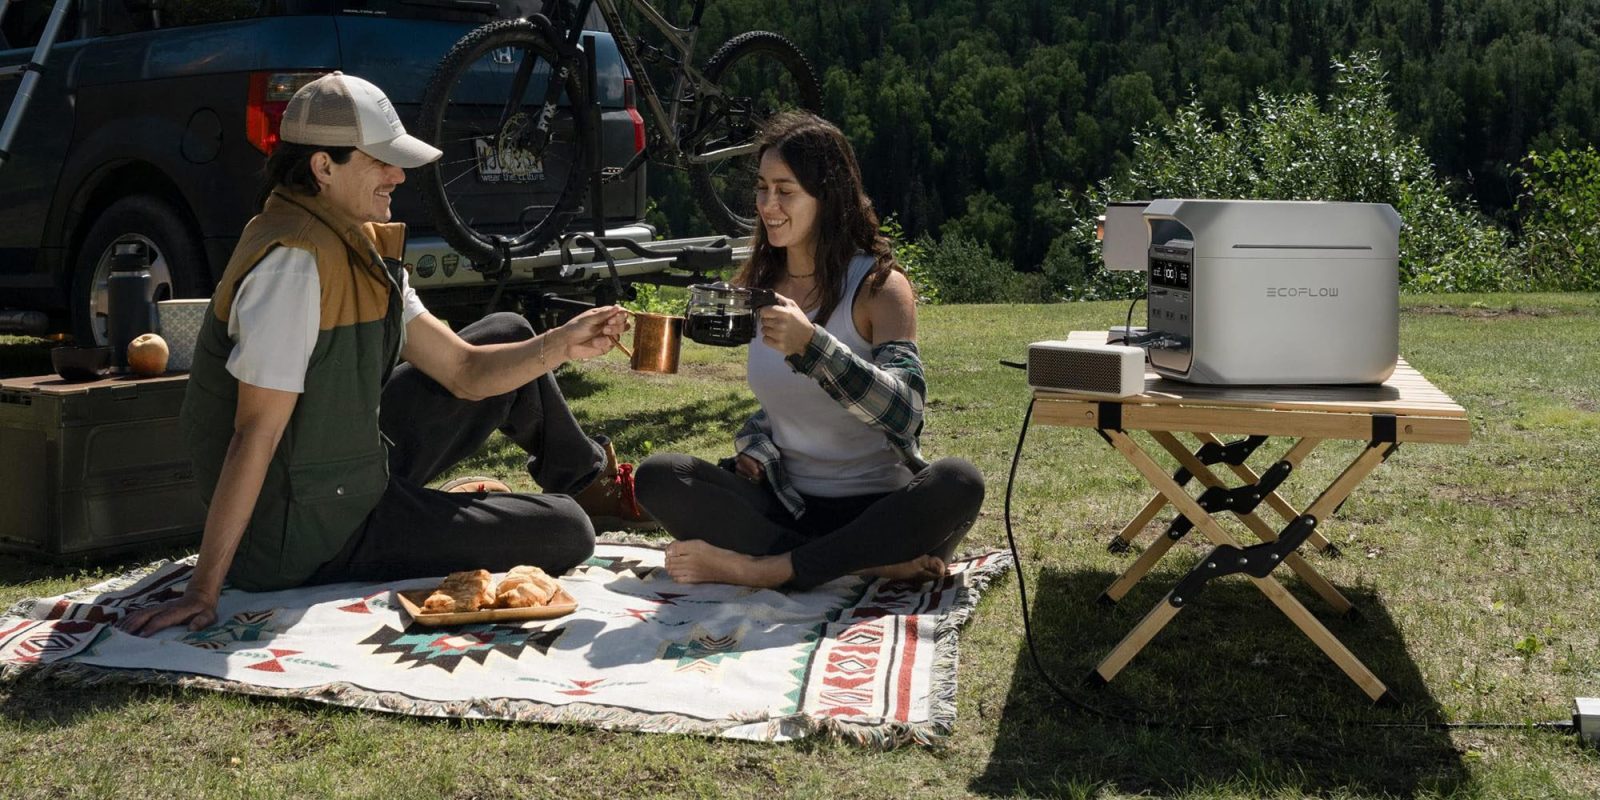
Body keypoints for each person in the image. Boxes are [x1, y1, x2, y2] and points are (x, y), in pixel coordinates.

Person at [120, 72, 646, 636]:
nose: (398, 175)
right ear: (324, 168)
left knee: (507, 332)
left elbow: (464, 370)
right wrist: (206, 587)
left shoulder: (357, 239)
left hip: (346, 473)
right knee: (568, 530)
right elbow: (256, 434)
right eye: (381, 162)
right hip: (306, 533)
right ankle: (549, 501)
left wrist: (560, 343)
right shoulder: (292, 265)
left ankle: (586, 480)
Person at [633, 111, 985, 590]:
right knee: (659, 475)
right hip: (791, 505)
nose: (767, 205)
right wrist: (757, 446)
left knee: (959, 482)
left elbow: (906, 413)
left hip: (878, 511)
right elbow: (781, 405)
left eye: (785, 190)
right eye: (762, 188)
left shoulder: (880, 287)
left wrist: (814, 347)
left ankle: (765, 569)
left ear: (827, 196)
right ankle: (855, 564)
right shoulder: (758, 288)